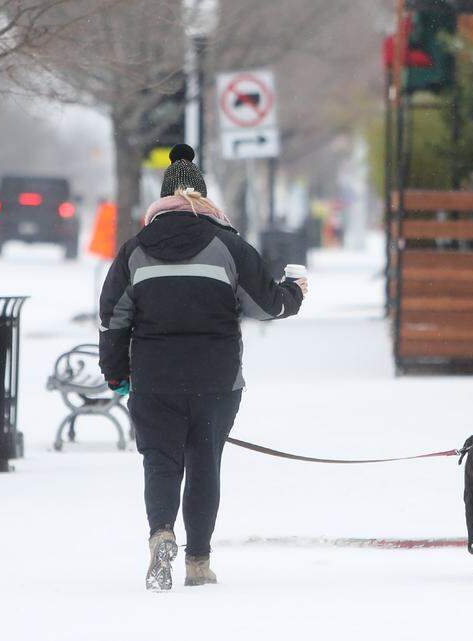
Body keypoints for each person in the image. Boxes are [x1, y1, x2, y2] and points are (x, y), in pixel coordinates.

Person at [98, 144, 306, 591]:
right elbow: (266, 306)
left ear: (161, 199)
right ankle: (197, 562)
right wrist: (295, 292)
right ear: (205, 199)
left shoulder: (134, 251)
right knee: (205, 462)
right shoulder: (229, 247)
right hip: (216, 379)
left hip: (153, 380)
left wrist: (116, 375)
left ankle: (160, 534)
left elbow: (113, 319)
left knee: (160, 461)